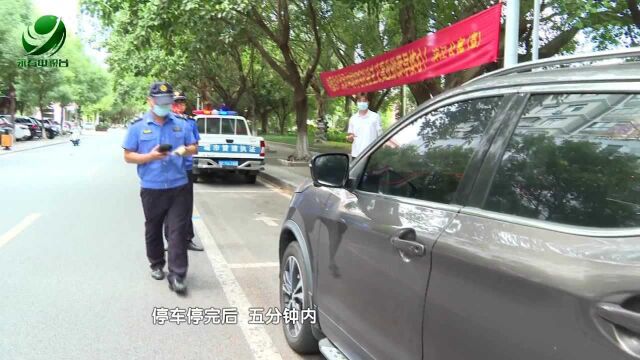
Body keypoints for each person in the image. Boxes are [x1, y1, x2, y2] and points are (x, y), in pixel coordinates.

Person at [122, 81, 198, 295]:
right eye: (160, 102)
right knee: (153, 227)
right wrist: (150, 156)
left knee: (177, 231)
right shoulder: (137, 127)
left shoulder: (182, 124)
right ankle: (156, 263)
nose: (165, 106)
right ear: (150, 101)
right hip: (152, 187)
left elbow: (194, 146)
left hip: (178, 186)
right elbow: (128, 155)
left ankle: (178, 275)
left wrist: (184, 151)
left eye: (168, 102)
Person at [168, 91, 204, 252]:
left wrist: (184, 150)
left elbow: (196, 146)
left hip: (186, 169)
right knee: (168, 207)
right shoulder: (165, 122)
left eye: (182, 102)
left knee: (186, 206)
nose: (179, 105)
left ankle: (187, 238)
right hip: (168, 170)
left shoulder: (190, 122)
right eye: (176, 102)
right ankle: (170, 240)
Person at [347, 93, 383, 158]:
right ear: (357, 103)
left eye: (364, 101)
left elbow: (380, 135)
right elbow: (350, 137)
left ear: (368, 102)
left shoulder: (375, 117)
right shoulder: (353, 118)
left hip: (371, 154)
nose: (362, 103)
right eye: (359, 101)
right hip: (356, 155)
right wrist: (350, 138)